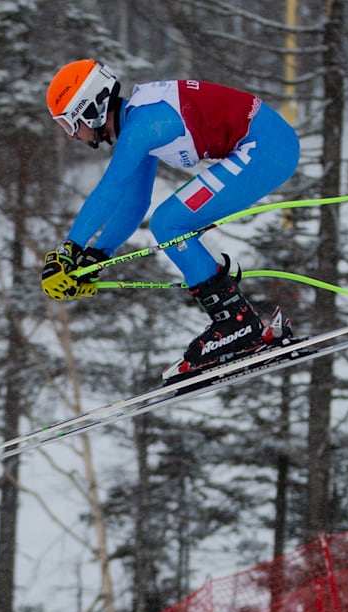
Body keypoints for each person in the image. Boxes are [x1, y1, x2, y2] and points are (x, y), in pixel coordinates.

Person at [40, 59, 301, 382]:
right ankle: (237, 318)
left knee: (169, 223)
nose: (70, 135)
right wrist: (97, 256)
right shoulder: (137, 121)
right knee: (171, 222)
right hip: (266, 146)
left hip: (265, 149)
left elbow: (110, 189)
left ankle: (235, 322)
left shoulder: (144, 123)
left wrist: (69, 249)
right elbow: (134, 203)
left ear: (90, 109)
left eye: (68, 124)